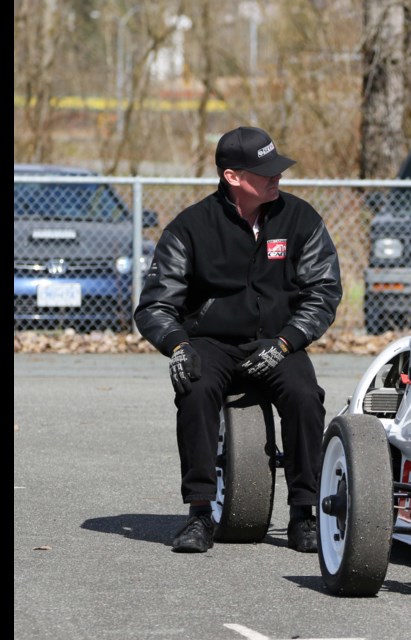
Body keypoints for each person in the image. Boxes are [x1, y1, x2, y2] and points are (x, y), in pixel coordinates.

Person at [135, 126, 342, 554]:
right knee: (193, 387)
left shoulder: (302, 219)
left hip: (278, 341)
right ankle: (199, 515)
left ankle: (304, 513)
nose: (276, 177)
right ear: (232, 177)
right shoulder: (190, 227)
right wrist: (178, 346)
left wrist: (287, 341)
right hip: (211, 343)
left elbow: (323, 292)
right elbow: (155, 305)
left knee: (306, 396)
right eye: (264, 171)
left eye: (277, 167)